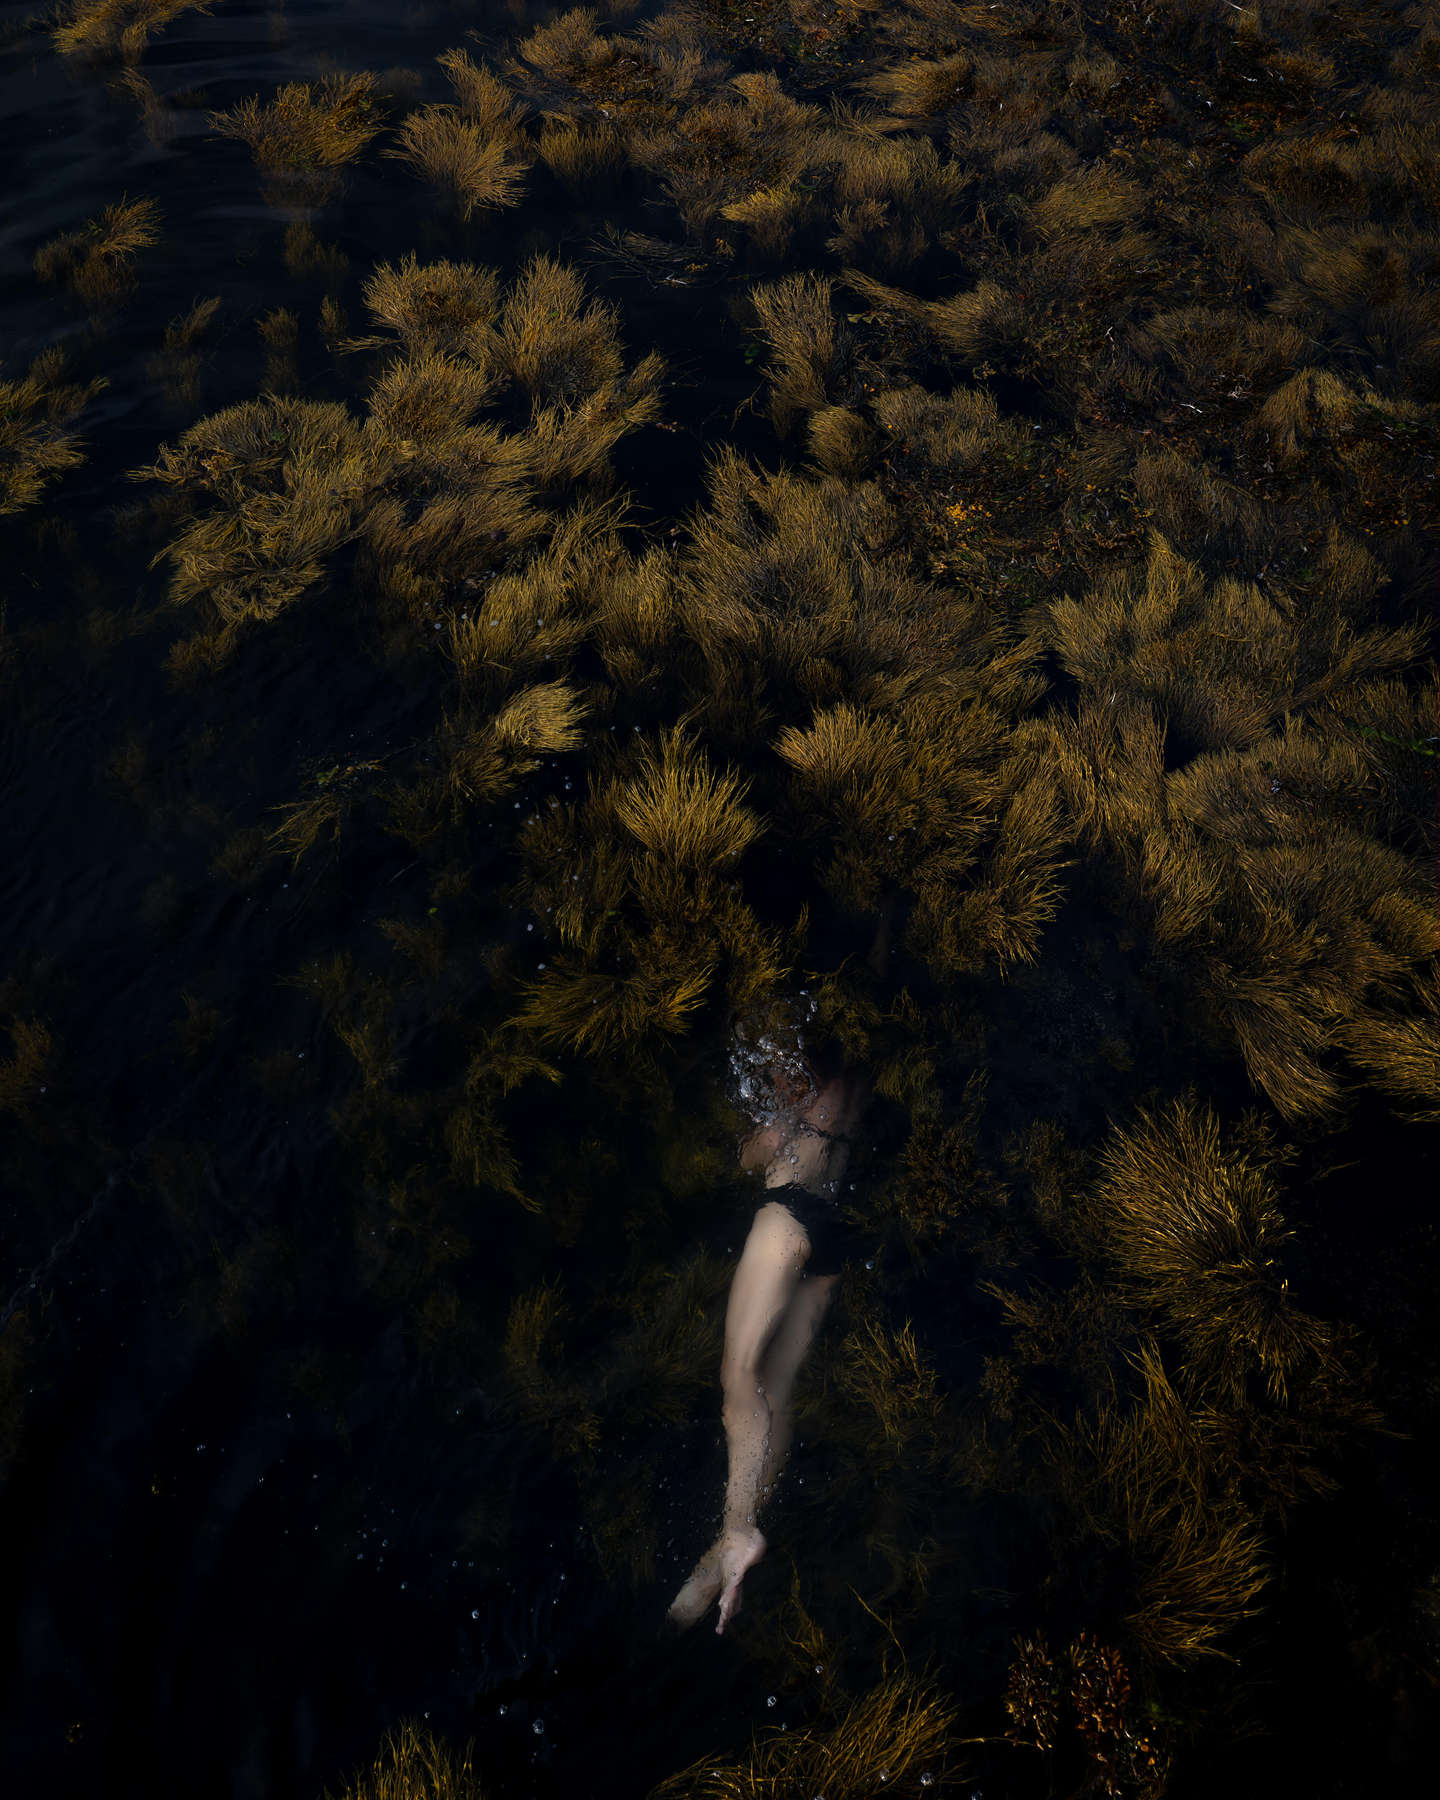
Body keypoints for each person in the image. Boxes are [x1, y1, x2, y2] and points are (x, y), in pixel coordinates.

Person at [665, 919, 887, 1636]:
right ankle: (736, 1534)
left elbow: (755, 1157)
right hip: (834, 1237)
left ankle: (737, 1529)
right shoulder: (858, 1083)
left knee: (737, 1375)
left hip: (786, 1218)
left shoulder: (793, 1081)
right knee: (777, 1385)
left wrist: (747, 1138)